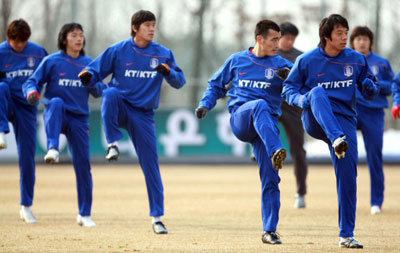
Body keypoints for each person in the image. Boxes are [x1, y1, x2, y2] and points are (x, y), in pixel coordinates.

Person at [78, 10, 186, 234]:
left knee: (151, 166)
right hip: (121, 107)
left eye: (154, 25)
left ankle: (157, 218)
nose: (152, 29)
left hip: (144, 115)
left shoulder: (163, 53)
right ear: (135, 28)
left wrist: (168, 73)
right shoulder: (119, 50)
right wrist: (88, 75)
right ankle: (113, 144)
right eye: (147, 25)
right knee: (110, 93)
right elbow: (95, 70)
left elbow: (180, 81)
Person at [282, 14, 379, 248]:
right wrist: (301, 99)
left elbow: (370, 89)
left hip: (345, 121)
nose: (345, 37)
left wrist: (370, 87)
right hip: (315, 118)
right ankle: (336, 139)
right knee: (316, 92)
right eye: (339, 33)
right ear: (326, 36)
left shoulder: (356, 59)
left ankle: (347, 234)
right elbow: (288, 89)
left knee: (348, 176)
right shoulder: (306, 60)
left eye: (346, 32)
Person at [195, 19, 292, 245]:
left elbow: (297, 87)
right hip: (242, 119)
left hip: (266, 128)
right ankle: (276, 149)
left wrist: (290, 80)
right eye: (274, 39)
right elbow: (216, 85)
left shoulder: (282, 65)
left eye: (280, 39)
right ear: (259, 39)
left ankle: (270, 230)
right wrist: (205, 104)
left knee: (271, 179)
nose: (279, 43)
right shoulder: (237, 60)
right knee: (258, 104)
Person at [23, 23, 105, 227]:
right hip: (56, 112)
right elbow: (31, 82)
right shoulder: (52, 61)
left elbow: (99, 91)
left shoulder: (89, 64)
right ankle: (52, 147)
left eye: (81, 35)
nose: (79, 39)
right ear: (64, 39)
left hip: (79, 119)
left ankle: (84, 214)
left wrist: (91, 82)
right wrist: (32, 93)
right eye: (74, 35)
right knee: (56, 101)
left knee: (84, 166)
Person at [0, 19, 47, 223]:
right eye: (16, 42)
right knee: (1, 88)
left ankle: (26, 207)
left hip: (27, 108)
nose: (20, 46)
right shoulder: (1, 52)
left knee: (27, 158)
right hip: (5, 102)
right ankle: (1, 130)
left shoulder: (37, 52)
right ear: (9, 38)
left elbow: (49, 74)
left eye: (23, 42)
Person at [350, 26, 394, 215]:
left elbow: (393, 86)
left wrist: (374, 82)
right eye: (358, 38)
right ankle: (347, 199)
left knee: (374, 157)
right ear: (352, 42)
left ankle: (376, 202)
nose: (361, 42)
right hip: (350, 111)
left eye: (365, 39)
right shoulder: (346, 61)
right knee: (346, 156)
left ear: (370, 42)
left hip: (374, 113)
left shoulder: (381, 63)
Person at [277, 22, 308, 209]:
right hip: (273, 104)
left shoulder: (300, 58)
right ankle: (259, 151)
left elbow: (307, 81)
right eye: (285, 37)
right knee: (262, 126)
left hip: (293, 107)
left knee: (298, 150)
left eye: (292, 38)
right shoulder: (269, 54)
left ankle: (301, 192)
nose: (289, 41)